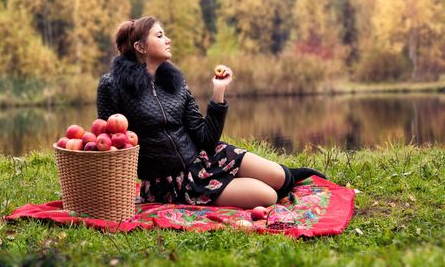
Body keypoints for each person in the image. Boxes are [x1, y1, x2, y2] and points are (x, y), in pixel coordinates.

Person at [96, 16, 326, 209]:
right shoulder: (112, 85)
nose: (168, 40)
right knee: (267, 196)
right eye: (159, 36)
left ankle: (284, 176)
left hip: (203, 157)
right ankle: (250, 183)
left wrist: (219, 90)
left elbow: (206, 138)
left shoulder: (175, 83)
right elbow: (109, 145)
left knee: (279, 177)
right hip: (172, 180)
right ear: (140, 47)